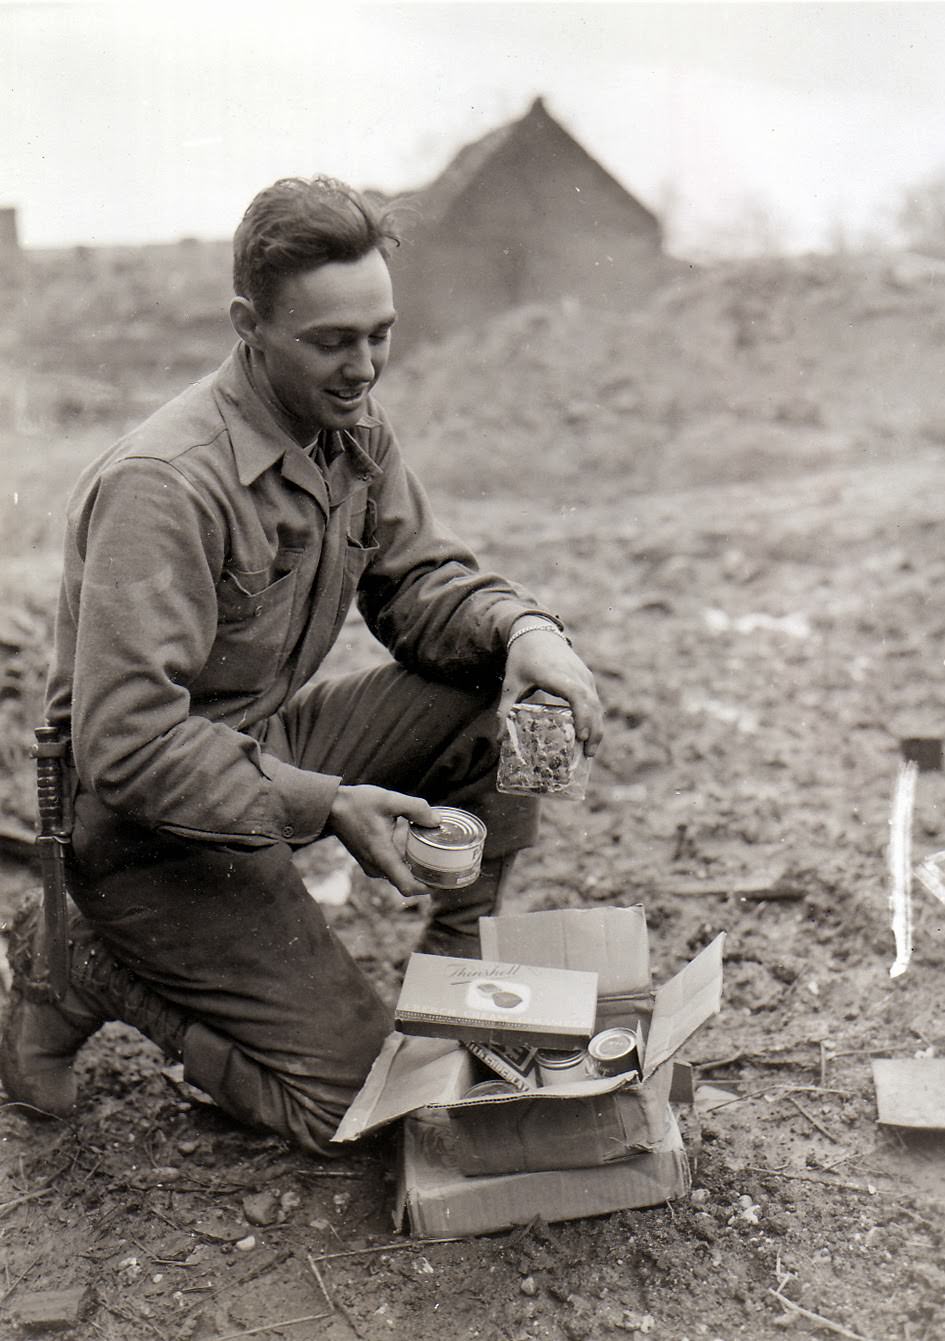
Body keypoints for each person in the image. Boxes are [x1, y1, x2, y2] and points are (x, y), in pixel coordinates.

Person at [0, 175, 603, 1156]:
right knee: (361, 1109)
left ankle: (453, 958)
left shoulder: (348, 431)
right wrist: (326, 805)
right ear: (249, 325)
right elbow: (128, 747)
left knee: (482, 688)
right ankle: (87, 971)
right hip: (139, 831)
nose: (364, 367)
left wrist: (525, 630)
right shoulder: (163, 488)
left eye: (380, 333)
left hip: (256, 755)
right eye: (332, 341)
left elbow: (419, 589)